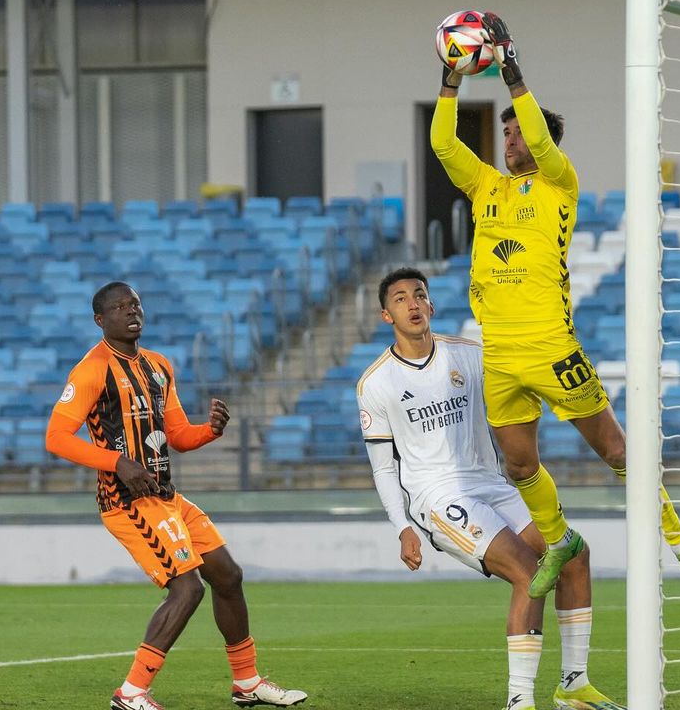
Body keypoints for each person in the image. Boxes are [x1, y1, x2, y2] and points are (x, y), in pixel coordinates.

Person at [430, 12, 680, 599]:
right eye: (506, 135)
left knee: (616, 449)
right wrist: (451, 79)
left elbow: (539, 138)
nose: (510, 140)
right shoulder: (486, 185)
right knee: (518, 467)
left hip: (551, 346)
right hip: (502, 353)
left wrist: (511, 70)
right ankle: (558, 537)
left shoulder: (561, 182)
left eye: (515, 134)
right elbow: (442, 142)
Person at [358, 267, 624, 710]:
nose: (412, 304)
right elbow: (384, 468)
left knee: (574, 555)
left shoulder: (469, 353)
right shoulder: (376, 383)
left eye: (419, 295)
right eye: (401, 299)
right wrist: (401, 525)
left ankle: (573, 687)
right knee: (530, 572)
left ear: (431, 305)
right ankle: (519, 702)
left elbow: (520, 375)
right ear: (387, 315)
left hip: (490, 483)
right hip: (437, 498)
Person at [45, 281, 307, 710]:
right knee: (187, 589)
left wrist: (210, 430)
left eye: (136, 303)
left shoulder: (158, 366)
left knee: (227, 576)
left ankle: (247, 682)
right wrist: (119, 463)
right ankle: (131, 693)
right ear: (100, 320)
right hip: (126, 503)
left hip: (166, 496)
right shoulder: (91, 370)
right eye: (119, 306)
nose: (132, 311)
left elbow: (178, 436)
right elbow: (56, 438)